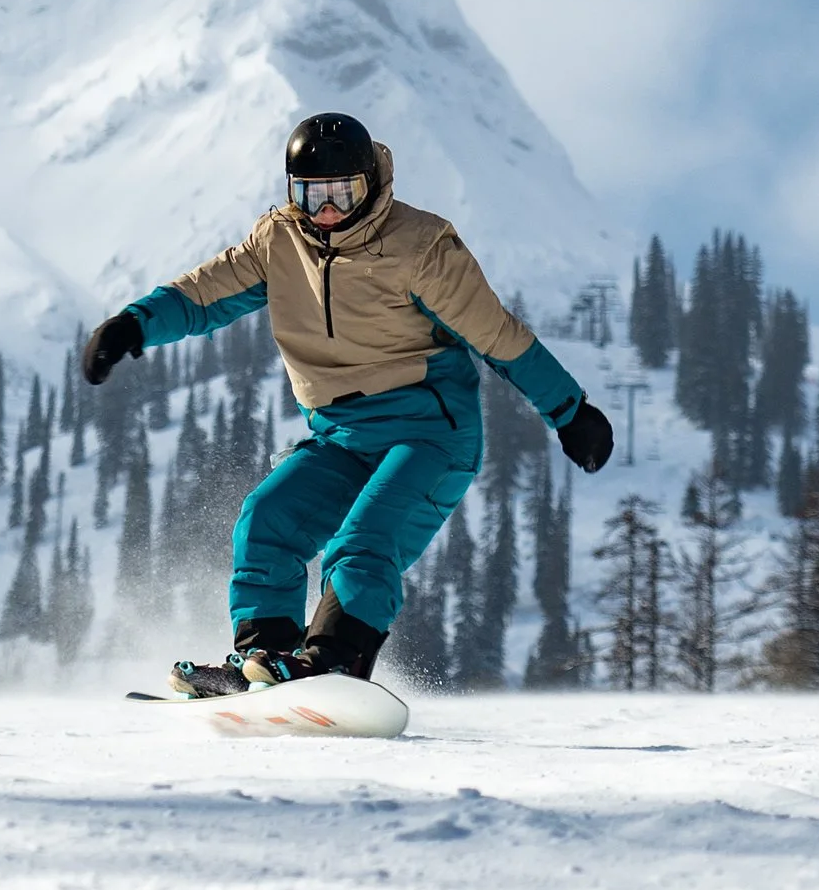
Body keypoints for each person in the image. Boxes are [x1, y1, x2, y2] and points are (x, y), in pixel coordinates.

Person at [82, 110, 616, 696]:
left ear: (371, 184)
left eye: (343, 192)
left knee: (363, 542)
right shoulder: (279, 241)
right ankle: (265, 659)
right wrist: (134, 324)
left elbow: (498, 336)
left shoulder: (420, 248)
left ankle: (335, 662)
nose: (328, 211)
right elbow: (202, 296)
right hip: (340, 435)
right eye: (311, 195)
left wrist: (570, 411)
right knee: (266, 519)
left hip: (429, 434)